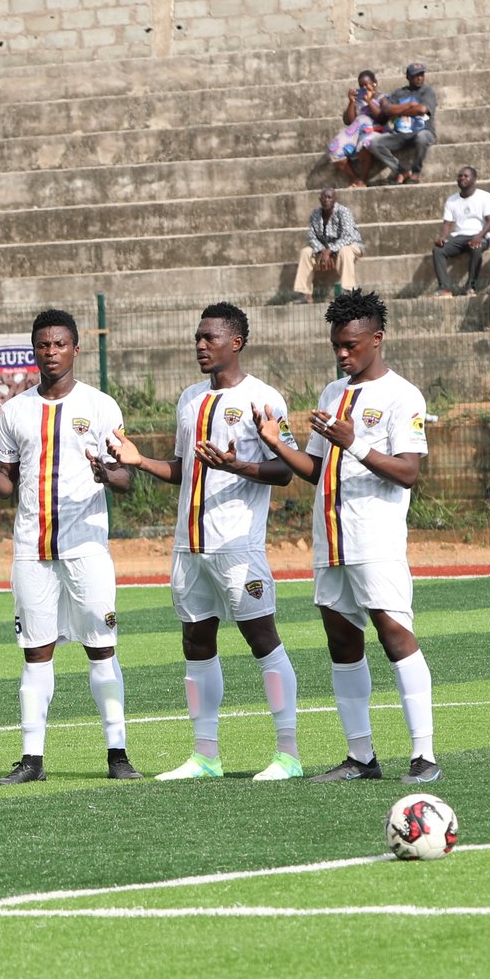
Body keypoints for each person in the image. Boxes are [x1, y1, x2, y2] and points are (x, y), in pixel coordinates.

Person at [108, 303, 303, 781]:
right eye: (197, 337)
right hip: (189, 546)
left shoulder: (264, 398)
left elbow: (287, 470)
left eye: (209, 337)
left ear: (236, 342)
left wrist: (237, 465)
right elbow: (184, 468)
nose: (200, 345)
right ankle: (205, 756)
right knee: (196, 642)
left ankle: (289, 755)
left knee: (263, 640)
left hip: (237, 547)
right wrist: (139, 461)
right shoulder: (189, 399)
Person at [257, 289, 440, 786]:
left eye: (351, 345)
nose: (342, 353)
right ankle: (361, 756)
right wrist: (278, 444)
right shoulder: (331, 394)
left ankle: (424, 756)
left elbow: (407, 473)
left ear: (376, 339)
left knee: (394, 633)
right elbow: (316, 469)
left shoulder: (403, 395)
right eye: (336, 344)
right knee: (341, 640)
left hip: (374, 540)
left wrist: (354, 444)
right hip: (330, 540)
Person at [0, 309, 140, 784]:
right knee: (35, 652)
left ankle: (117, 755)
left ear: (75, 349)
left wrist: (107, 473)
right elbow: (6, 485)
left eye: (59, 344)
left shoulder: (101, 406)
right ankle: (32, 760)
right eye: (43, 345)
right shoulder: (15, 410)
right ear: (34, 351)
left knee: (101, 649)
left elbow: (126, 478)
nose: (51, 352)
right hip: (32, 548)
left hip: (86, 548)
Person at [364, 63, 436, 185]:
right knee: (375, 143)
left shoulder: (427, 91)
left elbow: (423, 110)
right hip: (400, 134)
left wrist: (398, 110)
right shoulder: (399, 93)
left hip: (423, 130)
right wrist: (410, 106)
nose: (419, 78)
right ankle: (401, 171)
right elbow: (386, 110)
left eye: (421, 75)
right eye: (415, 75)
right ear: (408, 77)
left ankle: (416, 172)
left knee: (422, 137)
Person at [431, 167, 490, 297]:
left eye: (466, 176)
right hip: (459, 236)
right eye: (460, 176)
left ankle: (470, 287)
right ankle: (444, 288)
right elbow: (447, 223)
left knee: (476, 248)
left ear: (474, 179)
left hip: (480, 235)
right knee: (438, 250)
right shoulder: (452, 200)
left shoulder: (485, 196)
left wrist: (479, 236)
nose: (462, 178)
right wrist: (443, 237)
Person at [294, 187, 363, 303]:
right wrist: (323, 251)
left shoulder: (344, 212)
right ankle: (305, 294)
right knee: (306, 252)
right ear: (320, 199)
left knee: (345, 251)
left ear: (335, 199)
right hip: (324, 249)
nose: (326, 200)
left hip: (350, 245)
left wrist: (330, 250)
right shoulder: (315, 214)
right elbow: (311, 236)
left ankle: (350, 292)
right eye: (324, 197)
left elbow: (348, 236)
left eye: (329, 197)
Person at [328, 69, 382, 187]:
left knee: (365, 145)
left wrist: (369, 101)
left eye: (366, 84)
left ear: (374, 83)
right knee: (334, 149)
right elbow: (350, 121)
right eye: (361, 86)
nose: (364, 88)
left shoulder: (382, 98)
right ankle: (355, 179)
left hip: (374, 130)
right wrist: (351, 102)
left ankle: (363, 180)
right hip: (356, 131)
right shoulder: (358, 100)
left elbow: (381, 117)